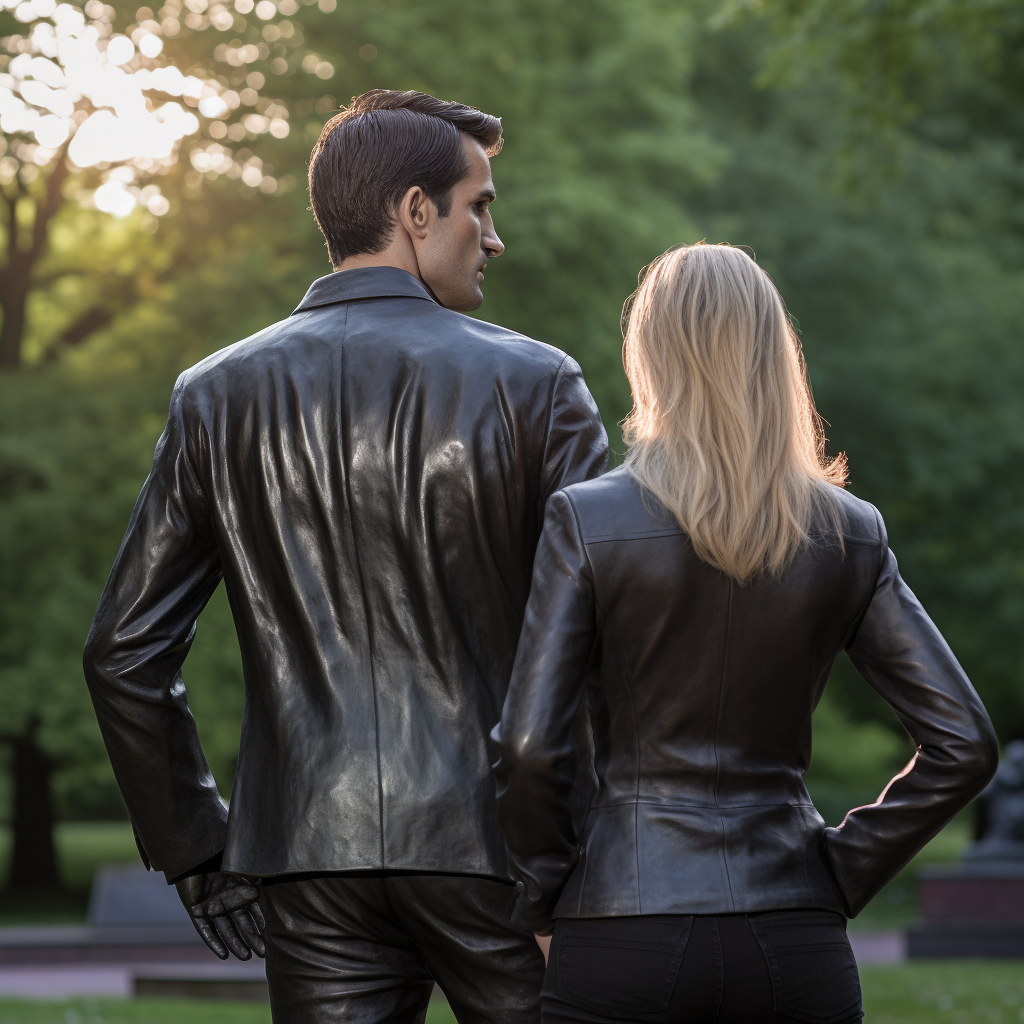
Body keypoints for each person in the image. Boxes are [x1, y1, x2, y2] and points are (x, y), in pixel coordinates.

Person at [83, 89, 608, 1024]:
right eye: (480, 205)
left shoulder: (215, 394)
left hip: (306, 852)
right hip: (508, 856)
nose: (496, 238)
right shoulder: (539, 384)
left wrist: (197, 845)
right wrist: (608, 852)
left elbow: (122, 652)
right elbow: (604, 639)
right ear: (415, 212)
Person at [492, 243, 998, 1024]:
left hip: (621, 926)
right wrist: (838, 871)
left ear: (651, 354)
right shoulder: (849, 531)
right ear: (774, 355)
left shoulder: (588, 520)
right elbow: (964, 741)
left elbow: (529, 745)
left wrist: (545, 899)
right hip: (794, 932)